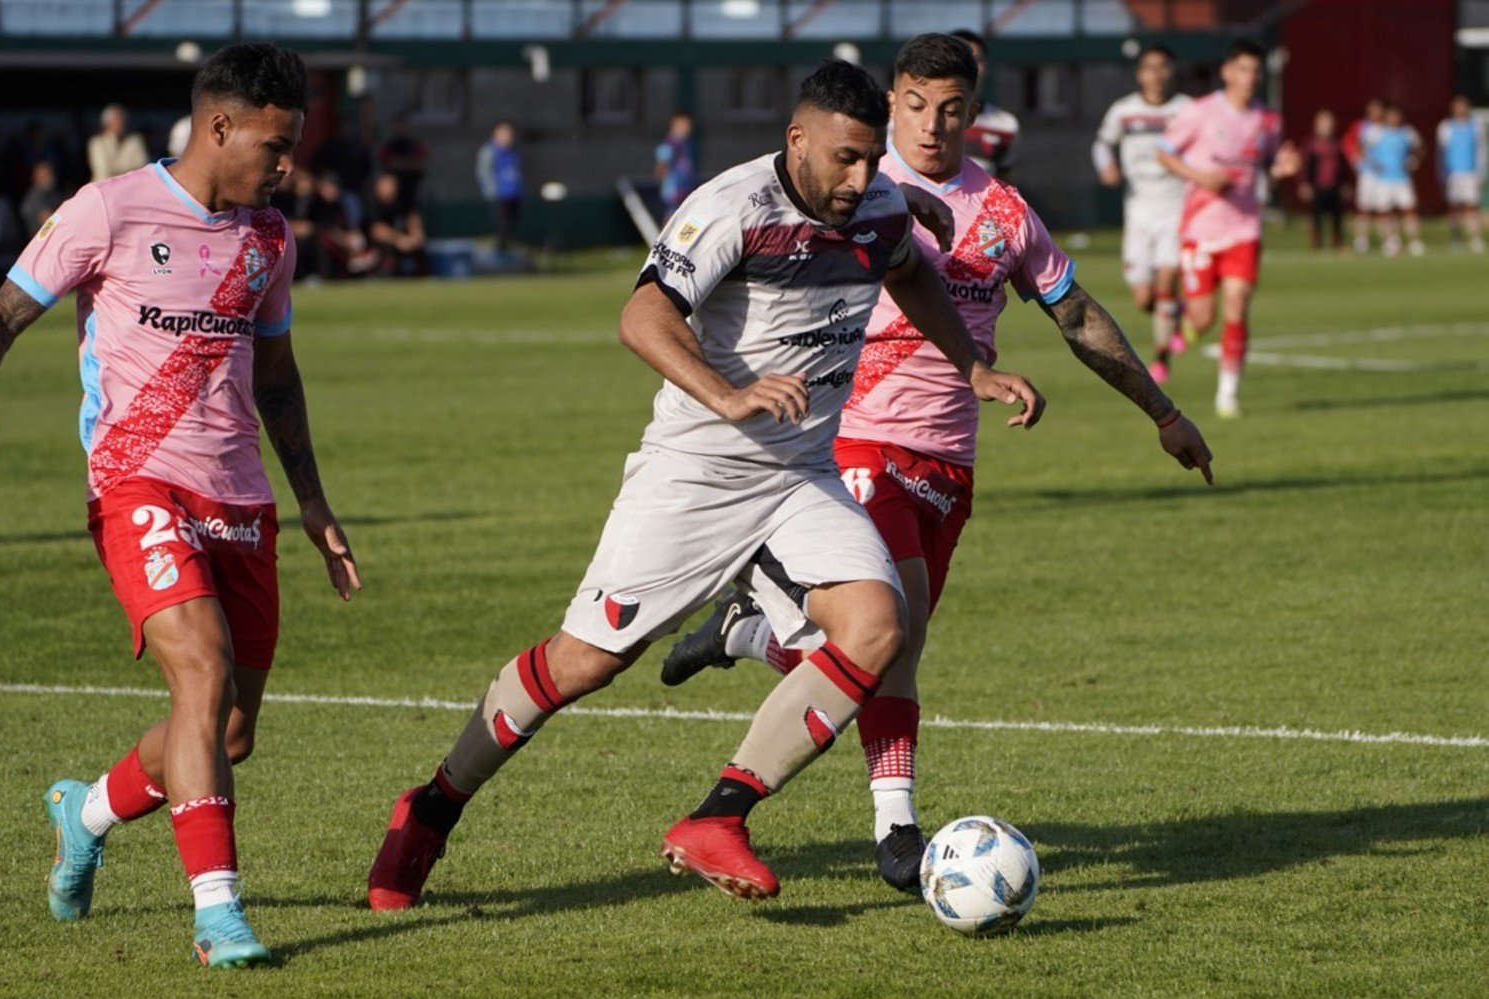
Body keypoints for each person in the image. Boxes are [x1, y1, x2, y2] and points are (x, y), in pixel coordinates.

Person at [366, 59, 1045, 909]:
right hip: (697, 472)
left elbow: (907, 270)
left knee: (877, 627)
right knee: (586, 661)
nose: (862, 179)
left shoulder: (874, 205)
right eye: (844, 158)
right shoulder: (732, 207)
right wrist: (729, 395)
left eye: (872, 160)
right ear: (795, 140)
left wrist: (971, 365)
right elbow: (640, 315)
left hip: (799, 473)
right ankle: (430, 806)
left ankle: (719, 817)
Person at [660, 34, 1213, 892]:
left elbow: (1076, 316)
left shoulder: (1002, 211)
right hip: (854, 439)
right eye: (914, 105)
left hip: (949, 459)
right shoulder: (859, 190)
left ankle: (748, 633)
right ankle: (895, 832)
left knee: (887, 648)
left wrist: (1163, 411)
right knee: (890, 635)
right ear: (892, 101)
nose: (930, 125)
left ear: (972, 111)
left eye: (950, 109)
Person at [0, 43, 361, 968]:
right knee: (199, 674)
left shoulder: (269, 238)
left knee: (229, 732)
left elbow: (278, 378)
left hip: (240, 495)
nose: (287, 166)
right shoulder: (110, 208)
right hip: (136, 483)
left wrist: (316, 503)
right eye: (276, 146)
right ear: (220, 127)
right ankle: (219, 915)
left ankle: (83, 811)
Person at [1156, 39, 1300, 419]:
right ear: (1227, 72)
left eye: (1256, 71)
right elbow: (1163, 152)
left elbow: (1270, 161)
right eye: (1243, 69)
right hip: (1200, 229)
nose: (1250, 78)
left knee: (1237, 306)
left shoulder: (1267, 120)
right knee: (1203, 318)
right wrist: (1201, 176)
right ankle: (1184, 332)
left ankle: (1228, 394)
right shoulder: (1200, 112)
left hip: (1243, 228)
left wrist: (1282, 168)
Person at [1092, 44, 1191, 385]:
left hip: (1177, 207)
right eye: (1150, 67)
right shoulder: (1124, 111)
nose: (1157, 74)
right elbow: (1102, 143)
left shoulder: (1187, 110)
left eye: (1163, 67)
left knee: (1165, 284)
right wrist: (1107, 167)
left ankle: (1161, 357)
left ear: (1172, 71)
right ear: (1140, 73)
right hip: (1138, 211)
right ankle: (1176, 314)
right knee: (1144, 297)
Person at [952, 30, 1019, 181]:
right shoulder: (912, 120)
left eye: (976, 60)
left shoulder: (1006, 124)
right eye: (959, 59)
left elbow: (1006, 180)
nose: (968, 67)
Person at [1369, 102, 1425, 257]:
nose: (1394, 118)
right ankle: (1390, 241)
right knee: (1385, 212)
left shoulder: (1407, 132)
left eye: (1396, 115)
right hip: (1383, 180)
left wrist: (1414, 160)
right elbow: (1363, 149)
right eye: (1391, 115)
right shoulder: (1377, 132)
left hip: (1402, 178)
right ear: (1386, 117)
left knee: (1409, 210)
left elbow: (1420, 148)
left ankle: (1414, 241)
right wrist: (1374, 163)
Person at [1437, 96, 1485, 253]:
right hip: (1453, 173)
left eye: (1463, 106)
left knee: (1472, 206)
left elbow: (1481, 150)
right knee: (1455, 207)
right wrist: (1442, 173)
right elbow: (1441, 153)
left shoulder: (1476, 126)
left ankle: (1476, 237)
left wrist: (1481, 171)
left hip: (1471, 172)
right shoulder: (1446, 127)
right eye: (1458, 106)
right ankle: (1456, 238)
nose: (1461, 109)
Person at [1301, 109, 1348, 251]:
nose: (1327, 126)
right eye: (1323, 123)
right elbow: (1305, 166)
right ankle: (1316, 242)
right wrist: (1304, 183)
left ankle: (1337, 242)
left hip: (1334, 186)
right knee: (1316, 215)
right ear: (1317, 125)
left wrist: (1346, 184)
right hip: (1318, 185)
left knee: (1337, 216)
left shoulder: (1337, 144)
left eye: (1329, 123)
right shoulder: (1311, 145)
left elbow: (1343, 167)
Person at [366, 172, 427, 276]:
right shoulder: (371, 203)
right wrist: (399, 240)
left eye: (392, 185)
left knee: (419, 251)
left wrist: (415, 237)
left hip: (405, 242)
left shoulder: (402, 201)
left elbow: (413, 220)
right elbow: (377, 230)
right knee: (387, 251)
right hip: (382, 245)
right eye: (385, 185)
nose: (389, 190)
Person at [1344, 98, 1384, 253]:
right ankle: (1361, 239)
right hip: (1367, 174)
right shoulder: (1361, 126)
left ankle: (1387, 240)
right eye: (1372, 109)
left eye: (1378, 109)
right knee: (1364, 208)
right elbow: (1350, 145)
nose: (1375, 113)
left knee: (1383, 209)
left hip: (1384, 176)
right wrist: (1358, 163)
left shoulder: (1386, 127)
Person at [476, 120, 523, 254]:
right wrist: (491, 190)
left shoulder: (513, 151)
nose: (509, 137)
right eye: (505, 133)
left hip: (513, 194)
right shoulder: (489, 151)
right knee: (501, 224)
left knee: (510, 225)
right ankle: (499, 251)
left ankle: (507, 250)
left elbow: (516, 172)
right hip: (499, 194)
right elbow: (484, 172)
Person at [86, 104, 149, 183]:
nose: (120, 124)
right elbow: (103, 170)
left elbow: (143, 165)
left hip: (131, 185)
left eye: (122, 120)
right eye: (116, 121)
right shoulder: (97, 142)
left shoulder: (135, 140)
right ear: (107, 123)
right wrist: (130, 170)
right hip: (104, 186)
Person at [378, 115, 429, 209]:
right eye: (398, 125)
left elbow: (419, 163)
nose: (400, 128)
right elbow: (387, 163)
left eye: (402, 125)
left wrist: (401, 164)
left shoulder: (414, 144)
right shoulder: (389, 145)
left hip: (410, 186)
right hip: (393, 189)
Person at [654, 111, 698, 218]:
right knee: (671, 218)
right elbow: (661, 165)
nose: (687, 128)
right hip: (674, 192)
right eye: (683, 125)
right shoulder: (670, 144)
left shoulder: (686, 144)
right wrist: (663, 182)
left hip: (686, 189)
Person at [20, 160, 66, 241]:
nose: (49, 179)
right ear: (36, 179)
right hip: (41, 241)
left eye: (50, 175)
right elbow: (49, 222)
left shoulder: (57, 193)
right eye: (44, 177)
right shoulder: (34, 198)